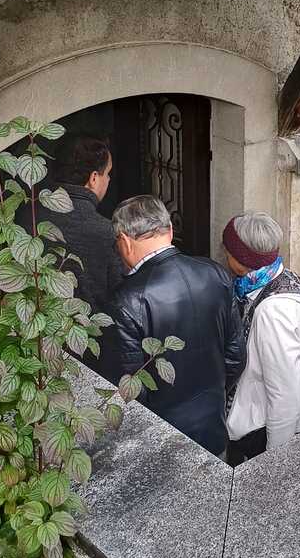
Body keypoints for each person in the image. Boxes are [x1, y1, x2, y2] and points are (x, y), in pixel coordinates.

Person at [103, 195, 245, 457]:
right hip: (213, 427)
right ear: (169, 231)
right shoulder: (215, 272)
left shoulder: (125, 301)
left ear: (124, 241)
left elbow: (130, 388)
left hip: (160, 442)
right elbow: (236, 357)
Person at [223, 212, 300, 461]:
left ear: (241, 259)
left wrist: (274, 460)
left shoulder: (272, 312)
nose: (224, 253)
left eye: (228, 250)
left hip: (265, 429)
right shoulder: (281, 278)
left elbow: (284, 393)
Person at [29, 134, 123, 321]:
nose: (108, 180)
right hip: (89, 333)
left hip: (36, 330)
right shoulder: (105, 231)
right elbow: (119, 296)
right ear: (94, 178)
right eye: (108, 173)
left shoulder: (28, 215)